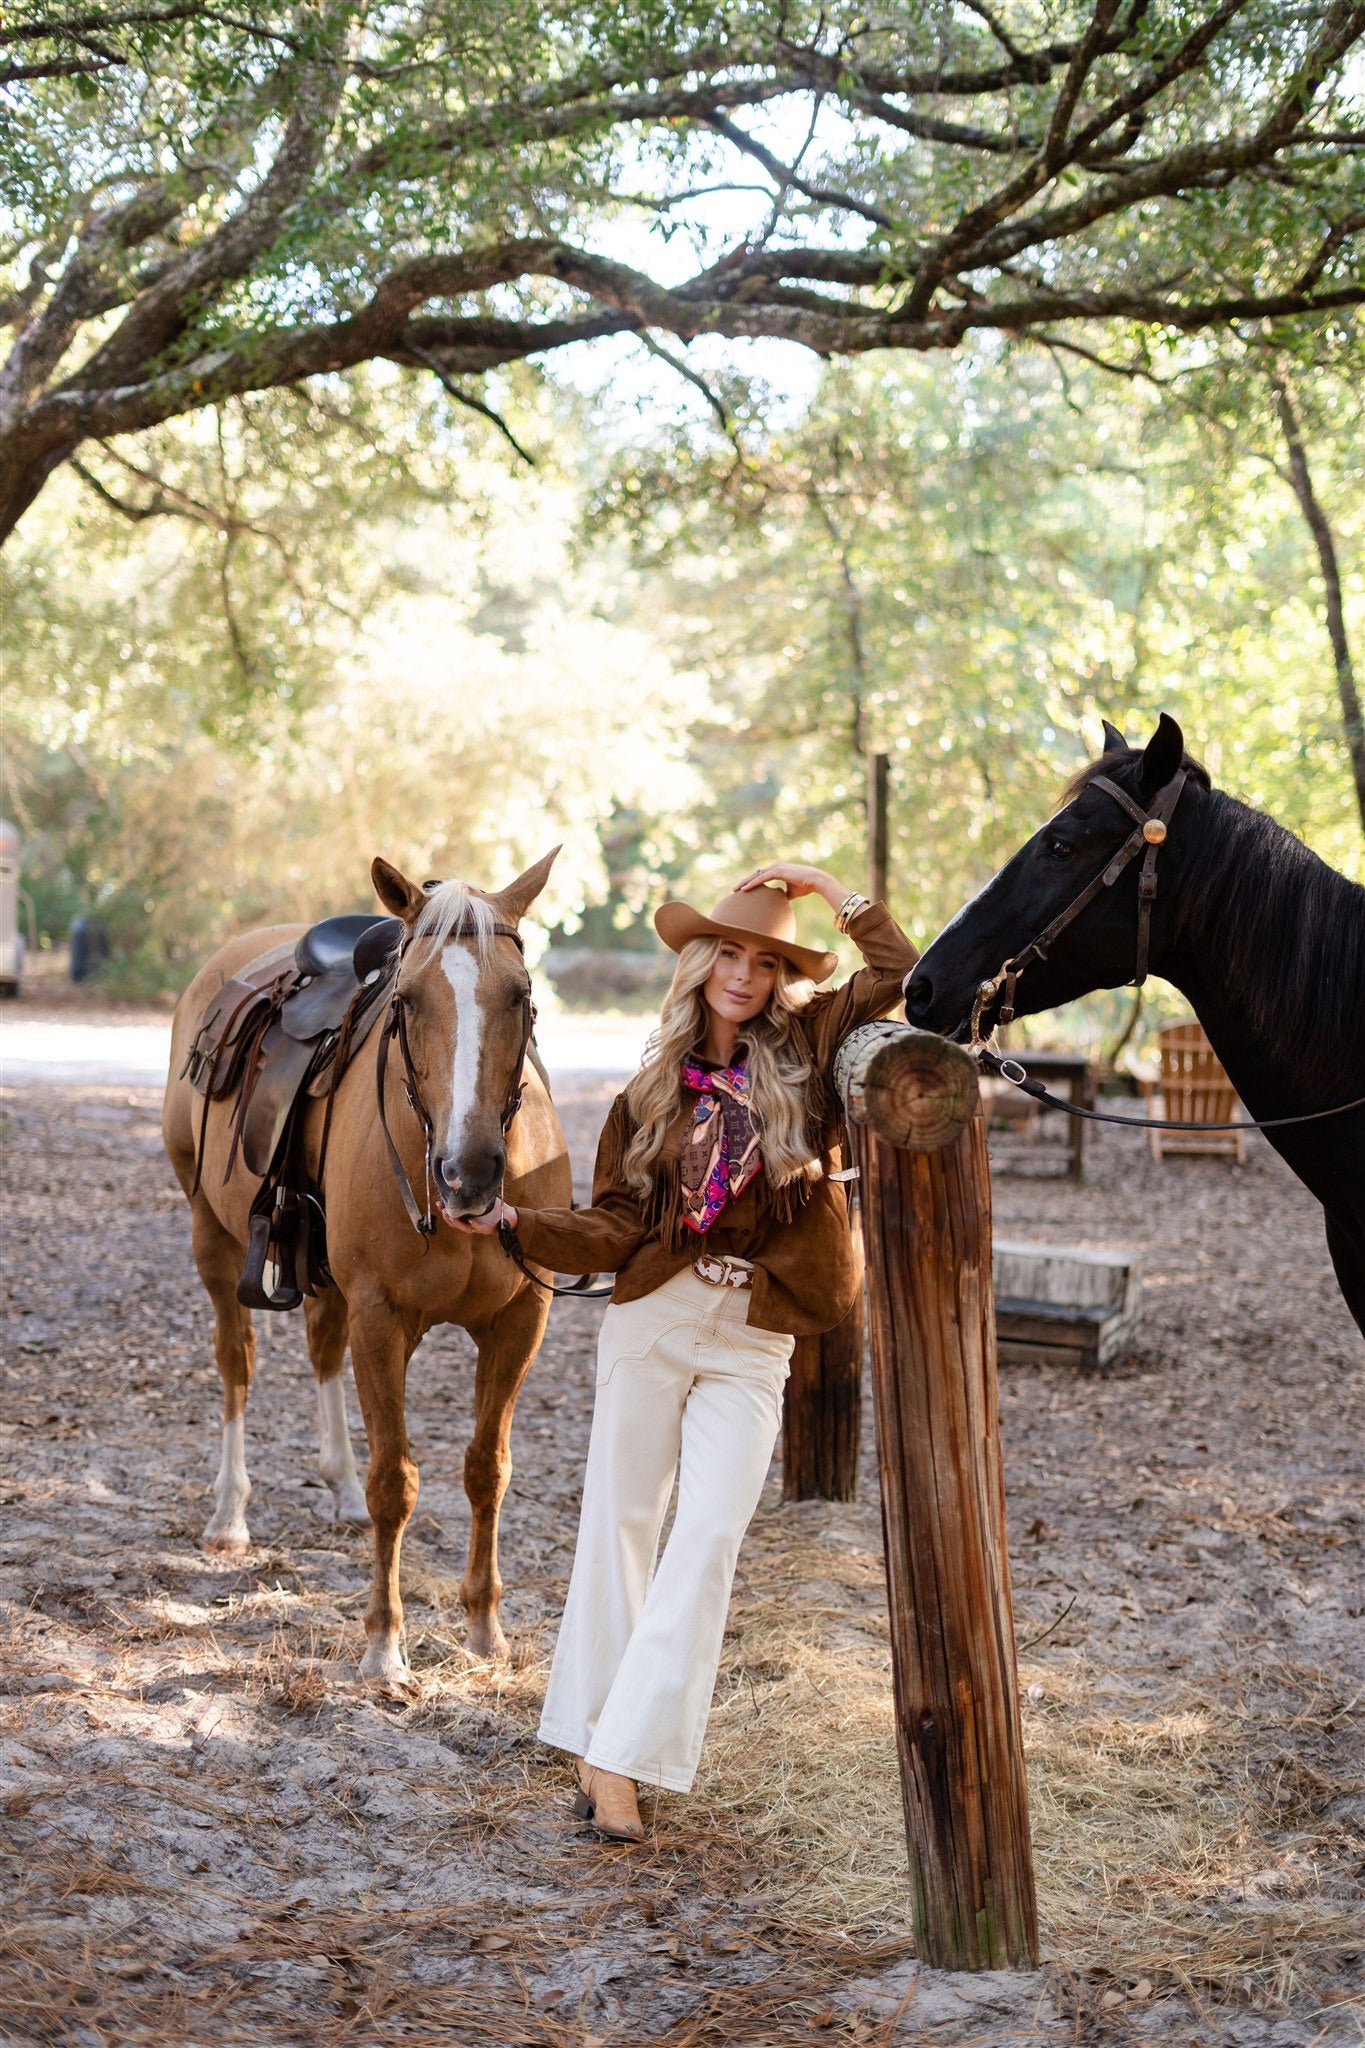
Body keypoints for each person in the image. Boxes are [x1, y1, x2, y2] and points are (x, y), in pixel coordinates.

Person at [454, 862, 918, 1840]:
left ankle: (612, 1748)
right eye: (729, 952)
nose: (744, 974)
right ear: (701, 962)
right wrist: (514, 1225)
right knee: (619, 1529)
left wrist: (831, 886)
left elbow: (897, 970)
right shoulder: (649, 1090)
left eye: (765, 959)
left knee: (706, 1537)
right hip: (653, 1318)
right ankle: (603, 1752)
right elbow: (617, 1225)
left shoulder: (809, 1047)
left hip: (753, 1335)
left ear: (781, 973)